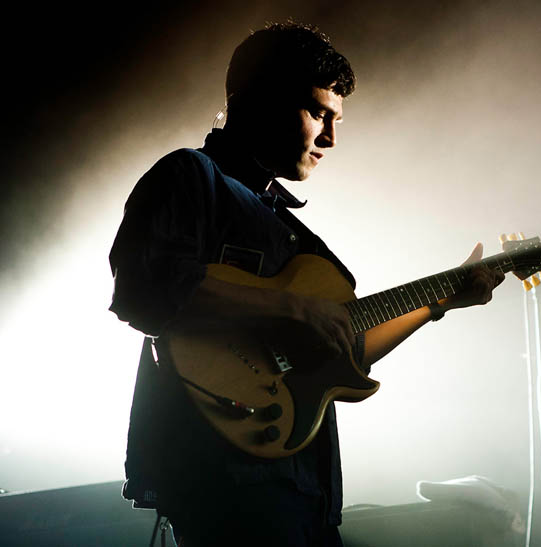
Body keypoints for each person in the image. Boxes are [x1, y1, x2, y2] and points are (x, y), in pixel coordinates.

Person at [109, 22, 505, 546]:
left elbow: (346, 349)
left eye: (336, 120)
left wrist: (442, 301)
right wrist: (293, 309)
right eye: (318, 114)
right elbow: (144, 287)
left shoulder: (294, 233)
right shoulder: (191, 177)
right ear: (258, 101)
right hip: (224, 479)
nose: (331, 138)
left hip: (304, 485)